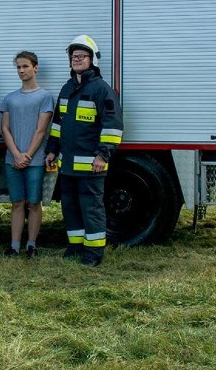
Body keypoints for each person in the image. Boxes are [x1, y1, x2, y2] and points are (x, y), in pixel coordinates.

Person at [45, 35, 123, 267]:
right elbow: (58, 124)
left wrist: (103, 154)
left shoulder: (101, 90)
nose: (76, 60)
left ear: (92, 60)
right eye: (73, 57)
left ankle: (94, 253)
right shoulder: (68, 88)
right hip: (67, 164)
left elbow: (113, 126)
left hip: (91, 165)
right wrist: (51, 150)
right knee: (70, 206)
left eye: (81, 56)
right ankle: (76, 246)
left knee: (92, 209)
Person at [0, 51, 53, 259]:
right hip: (13, 160)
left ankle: (31, 244)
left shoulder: (45, 97)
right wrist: (16, 155)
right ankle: (14, 246)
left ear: (35, 68)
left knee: (33, 203)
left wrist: (27, 156)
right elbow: (5, 129)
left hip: (35, 161)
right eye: (18, 67)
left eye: (25, 66)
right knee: (17, 203)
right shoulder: (9, 98)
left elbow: (41, 130)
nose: (21, 70)